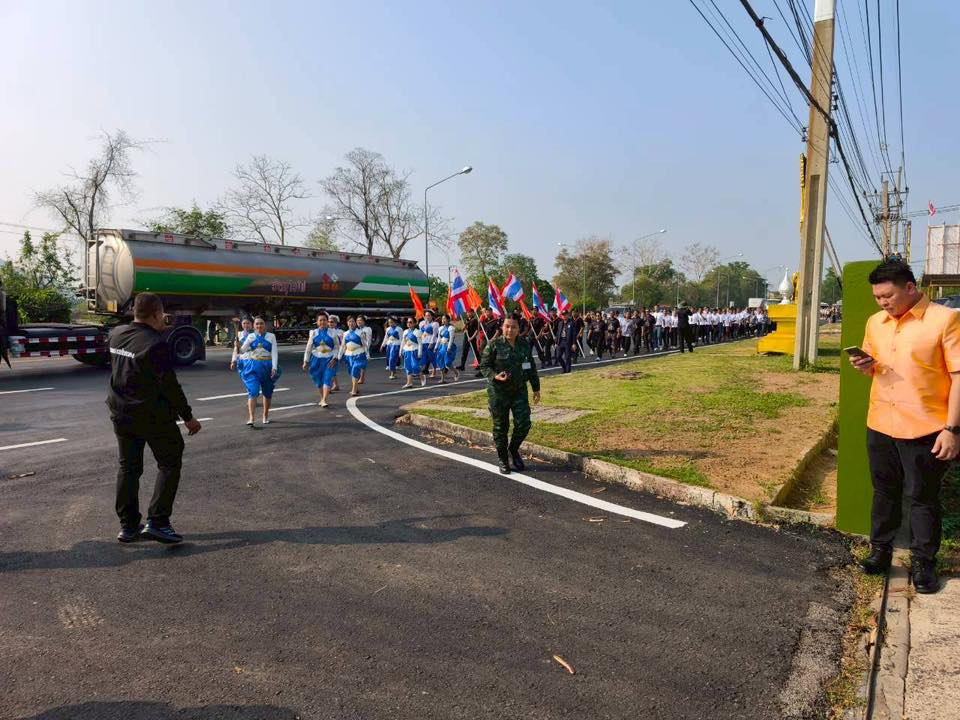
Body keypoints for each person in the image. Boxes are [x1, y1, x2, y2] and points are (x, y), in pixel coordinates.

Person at [850, 260, 960, 594]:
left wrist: (952, 429)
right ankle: (880, 550)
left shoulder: (945, 320)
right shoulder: (876, 323)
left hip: (925, 427)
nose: (882, 302)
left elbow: (958, 376)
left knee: (923, 496)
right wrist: (863, 365)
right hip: (881, 421)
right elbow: (873, 366)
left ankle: (924, 562)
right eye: (877, 297)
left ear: (910, 288)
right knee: (884, 491)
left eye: (887, 295)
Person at [107, 292, 202, 545]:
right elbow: (170, 386)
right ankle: (158, 521)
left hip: (121, 413)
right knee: (170, 461)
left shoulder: (117, 334)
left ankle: (128, 527)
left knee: (129, 467)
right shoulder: (156, 343)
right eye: (162, 314)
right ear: (157, 314)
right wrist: (188, 417)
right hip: (151, 416)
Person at [479, 316, 542, 474]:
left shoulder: (524, 344)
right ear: (502, 327)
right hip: (498, 392)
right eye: (507, 326)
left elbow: (530, 366)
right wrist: (495, 375)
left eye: (513, 327)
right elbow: (484, 366)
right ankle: (503, 459)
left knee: (524, 423)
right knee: (501, 427)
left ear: (518, 329)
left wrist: (536, 388)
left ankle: (513, 450)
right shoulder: (494, 344)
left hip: (519, 390)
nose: (510, 330)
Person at [238, 317, 281, 425]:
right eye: (257, 324)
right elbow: (242, 350)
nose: (259, 326)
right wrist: (238, 347)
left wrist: (274, 367)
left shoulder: (271, 336)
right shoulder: (251, 336)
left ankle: (265, 415)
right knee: (253, 391)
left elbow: (274, 352)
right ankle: (251, 418)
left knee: (267, 392)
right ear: (254, 326)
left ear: (264, 325)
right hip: (253, 366)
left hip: (267, 366)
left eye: (261, 323)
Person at [303, 313, 340, 408]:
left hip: (329, 360)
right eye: (320, 320)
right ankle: (322, 398)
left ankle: (324, 399)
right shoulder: (313, 333)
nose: (322, 322)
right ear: (317, 322)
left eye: (324, 320)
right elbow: (309, 348)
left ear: (327, 321)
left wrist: (335, 358)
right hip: (316, 360)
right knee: (318, 380)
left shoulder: (333, 332)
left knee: (327, 378)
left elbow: (337, 347)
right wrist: (306, 361)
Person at [339, 315, 369, 397]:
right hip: (348, 355)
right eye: (349, 321)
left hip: (359, 354)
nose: (351, 323)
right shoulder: (345, 334)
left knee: (355, 369)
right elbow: (343, 346)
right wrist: (339, 356)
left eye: (352, 321)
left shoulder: (360, 332)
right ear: (347, 323)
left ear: (355, 323)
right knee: (351, 372)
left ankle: (354, 390)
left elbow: (365, 344)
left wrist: (367, 354)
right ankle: (355, 387)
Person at [435, 314, 459, 383]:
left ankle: (456, 372)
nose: (443, 320)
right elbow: (439, 338)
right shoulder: (440, 328)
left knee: (448, 363)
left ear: (448, 320)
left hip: (449, 347)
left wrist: (449, 347)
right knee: (441, 362)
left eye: (445, 319)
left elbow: (451, 339)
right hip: (441, 347)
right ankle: (442, 379)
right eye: (442, 319)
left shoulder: (451, 328)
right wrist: (436, 347)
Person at [401, 317, 422, 389]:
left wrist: (419, 353)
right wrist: (401, 351)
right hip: (407, 351)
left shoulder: (417, 332)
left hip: (414, 350)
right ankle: (409, 383)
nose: (409, 324)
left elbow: (420, 343)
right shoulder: (405, 332)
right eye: (408, 322)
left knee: (415, 366)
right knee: (407, 367)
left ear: (415, 323)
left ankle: (421, 375)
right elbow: (403, 342)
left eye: (411, 322)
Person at [418, 310, 439, 379]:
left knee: (432, 357)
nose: (427, 317)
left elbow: (434, 334)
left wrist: (431, 343)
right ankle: (421, 371)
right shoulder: (421, 323)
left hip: (431, 343)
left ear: (432, 316)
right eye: (426, 315)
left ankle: (434, 371)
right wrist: (420, 342)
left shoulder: (435, 324)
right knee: (423, 357)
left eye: (429, 315)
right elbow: (420, 333)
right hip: (424, 342)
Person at [555, 309, 577, 373]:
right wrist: (556, 342)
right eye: (563, 315)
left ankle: (567, 371)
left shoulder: (572, 323)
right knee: (558, 356)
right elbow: (558, 333)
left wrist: (574, 343)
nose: (564, 316)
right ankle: (564, 367)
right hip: (560, 341)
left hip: (568, 342)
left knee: (567, 357)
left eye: (565, 314)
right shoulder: (560, 323)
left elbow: (574, 334)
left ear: (568, 315)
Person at [355, 315, 373, 385]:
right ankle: (358, 377)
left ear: (364, 322)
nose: (358, 322)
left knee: (362, 364)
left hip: (364, 349)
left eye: (360, 320)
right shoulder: (356, 329)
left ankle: (362, 378)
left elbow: (368, 340)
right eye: (357, 320)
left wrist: (366, 350)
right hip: (357, 349)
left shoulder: (368, 329)